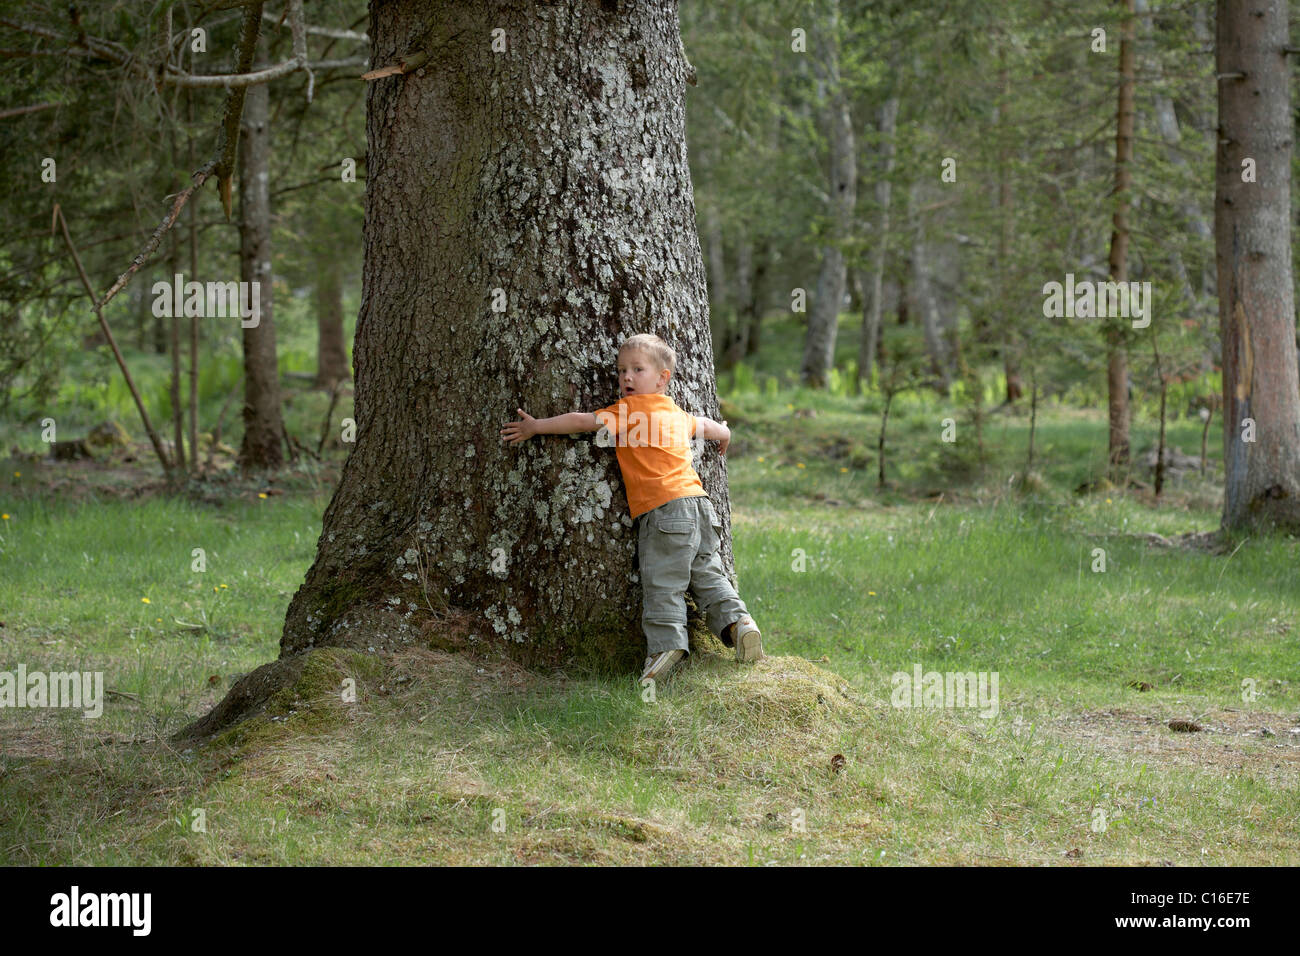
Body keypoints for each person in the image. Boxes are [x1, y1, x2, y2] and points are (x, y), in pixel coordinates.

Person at [500, 333, 762, 686]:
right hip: (700, 507)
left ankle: (666, 648)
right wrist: (726, 433)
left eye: (637, 370)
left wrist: (536, 427)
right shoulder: (677, 413)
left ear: (662, 378)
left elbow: (581, 421)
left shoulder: (629, 411)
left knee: (663, 582)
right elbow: (707, 426)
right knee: (706, 573)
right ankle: (739, 623)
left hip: (664, 510)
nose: (626, 377)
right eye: (622, 370)